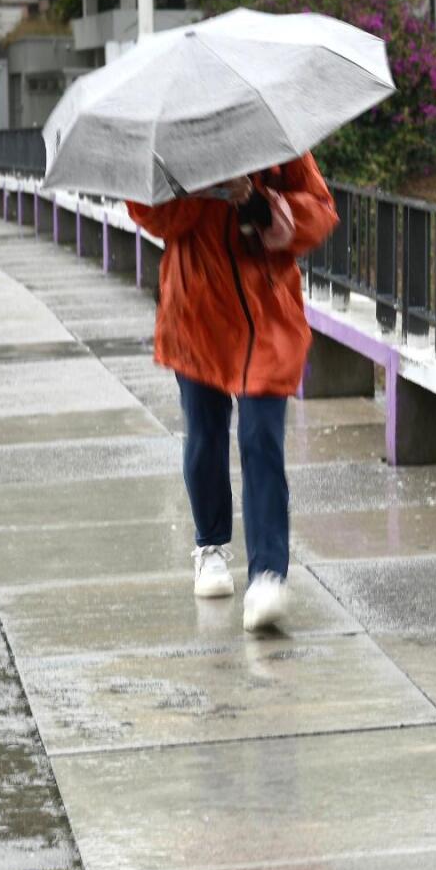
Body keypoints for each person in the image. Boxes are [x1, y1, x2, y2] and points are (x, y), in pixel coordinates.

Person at [126, 155, 337, 632]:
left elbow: (319, 210)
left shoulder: (276, 139)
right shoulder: (171, 143)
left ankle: (267, 573)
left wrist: (259, 203)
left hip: (266, 313)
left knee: (262, 437)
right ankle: (210, 545)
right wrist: (200, 187)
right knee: (204, 435)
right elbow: (148, 214)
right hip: (195, 309)